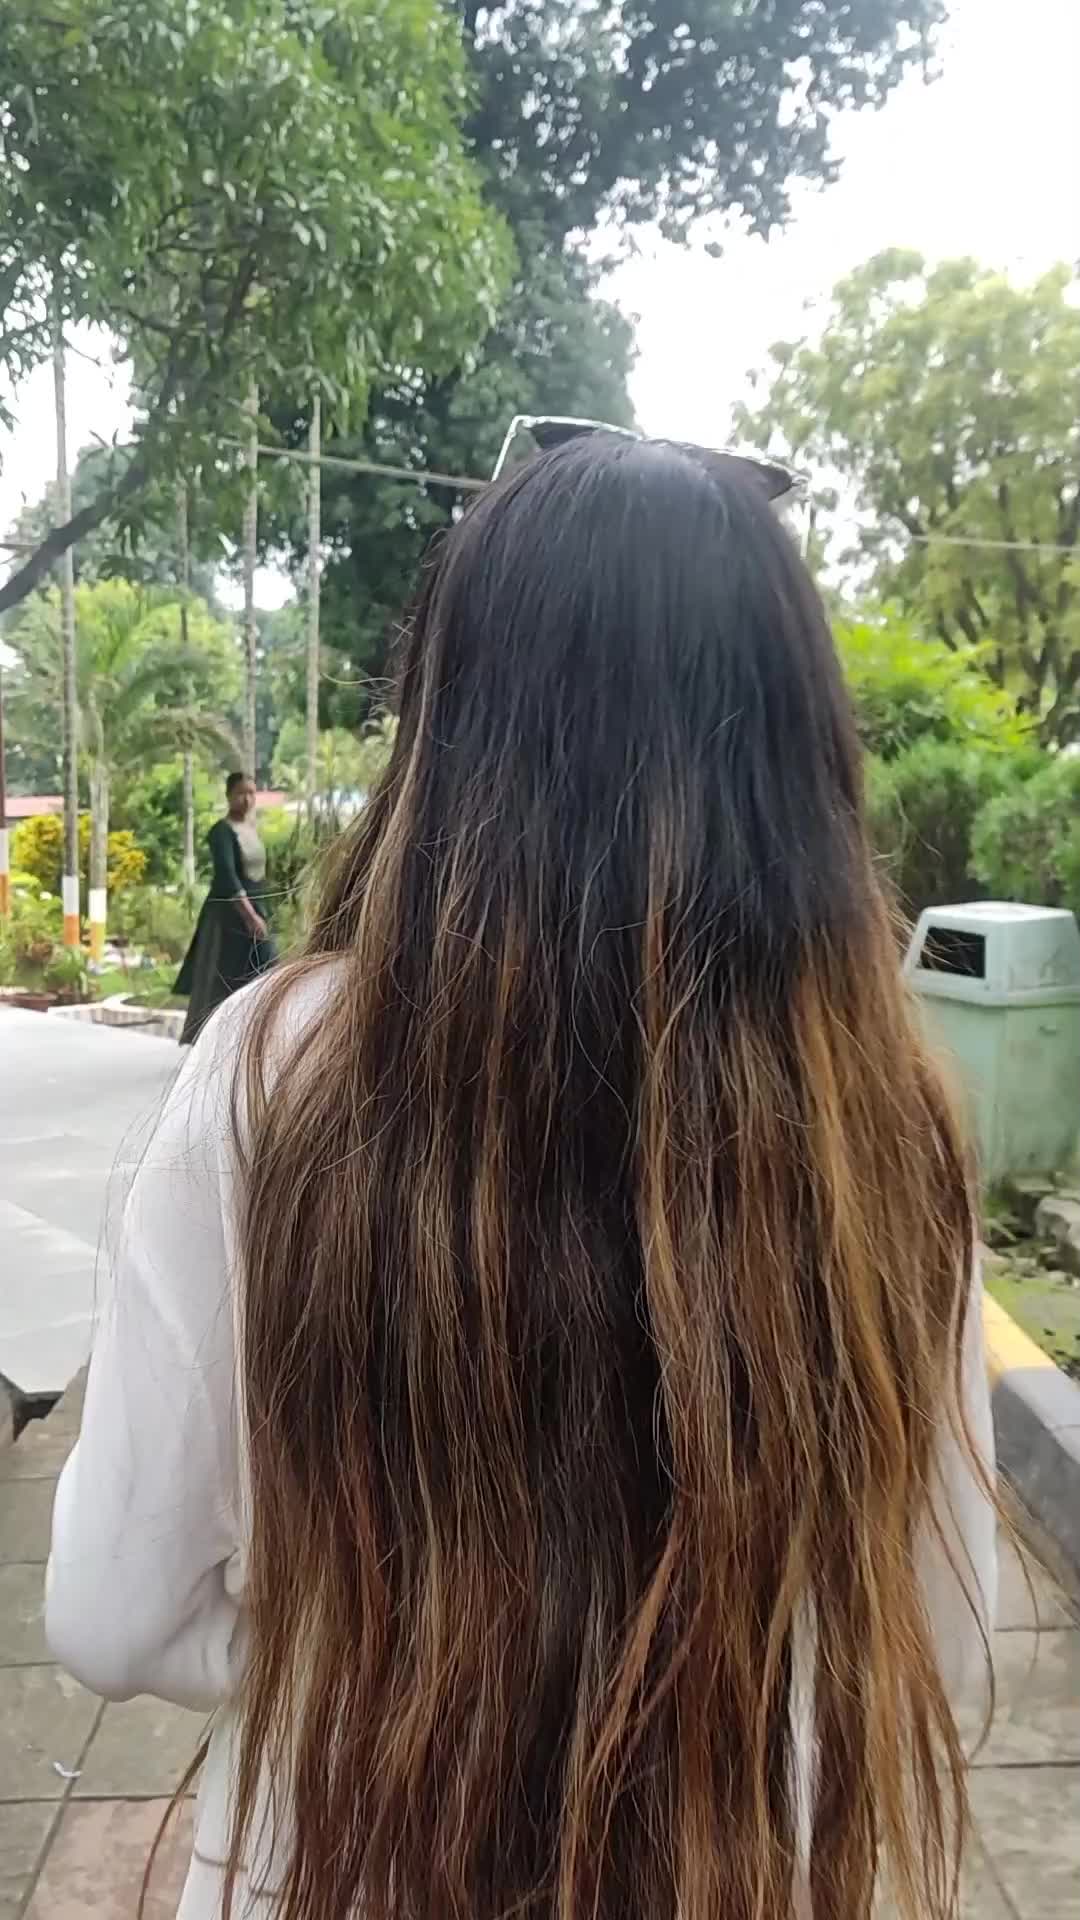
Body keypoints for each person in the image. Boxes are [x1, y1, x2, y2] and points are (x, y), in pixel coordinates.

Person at [46, 436, 996, 1920]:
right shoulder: (877, 1116)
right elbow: (949, 1636)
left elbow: (113, 1614)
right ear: (797, 752)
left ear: (450, 721)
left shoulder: (277, 1070)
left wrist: (395, 1658)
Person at [176, 771, 275, 1045]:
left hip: (256, 907)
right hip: (229, 917)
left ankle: (253, 1035)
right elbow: (227, 877)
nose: (247, 799)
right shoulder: (221, 832)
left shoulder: (251, 829)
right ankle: (217, 1039)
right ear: (229, 795)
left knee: (263, 971)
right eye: (241, 793)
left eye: (251, 793)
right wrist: (250, 916)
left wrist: (264, 910)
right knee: (225, 979)